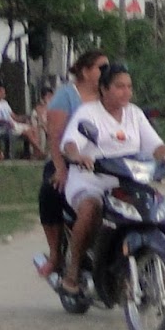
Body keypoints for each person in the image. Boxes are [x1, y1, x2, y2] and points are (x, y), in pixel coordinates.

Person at [59, 62, 165, 296]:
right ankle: (72, 272)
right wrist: (78, 156)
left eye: (129, 87)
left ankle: (158, 283)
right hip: (91, 179)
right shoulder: (88, 113)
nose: (126, 92)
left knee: (155, 209)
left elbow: (154, 144)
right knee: (90, 208)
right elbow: (70, 143)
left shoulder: (134, 114)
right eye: (119, 86)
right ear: (104, 89)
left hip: (127, 181)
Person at [35, 50, 108, 279]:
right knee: (50, 191)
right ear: (86, 72)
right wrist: (60, 169)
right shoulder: (67, 95)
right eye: (101, 68)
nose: (107, 73)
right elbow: (55, 138)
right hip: (69, 162)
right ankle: (56, 255)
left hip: (103, 164)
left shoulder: (108, 95)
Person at [0, 83, 42, 160]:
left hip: (13, 125)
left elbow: (15, 117)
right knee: (28, 132)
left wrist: (25, 117)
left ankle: (35, 153)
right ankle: (39, 152)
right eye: (0, 91)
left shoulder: (5, 103)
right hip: (4, 127)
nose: (3, 93)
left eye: (3, 91)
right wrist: (6, 122)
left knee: (33, 129)